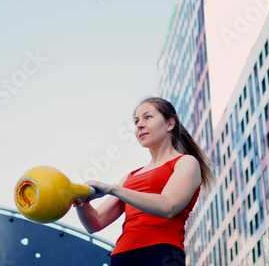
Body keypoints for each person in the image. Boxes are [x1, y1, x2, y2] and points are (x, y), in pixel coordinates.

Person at [74, 96, 216, 266]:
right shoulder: (129, 177)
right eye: (136, 121)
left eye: (148, 117)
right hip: (121, 257)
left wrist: (114, 189)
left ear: (170, 124)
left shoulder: (186, 163)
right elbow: (95, 222)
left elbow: (168, 206)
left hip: (161, 253)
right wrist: (81, 202)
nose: (140, 125)